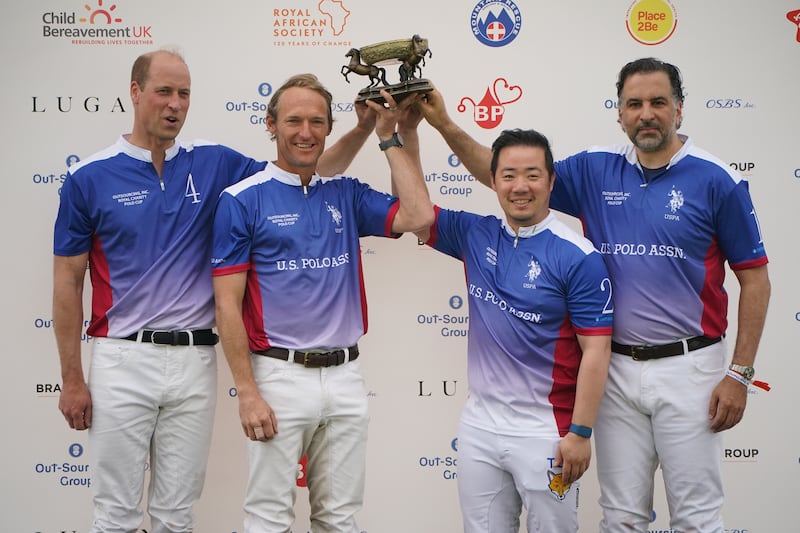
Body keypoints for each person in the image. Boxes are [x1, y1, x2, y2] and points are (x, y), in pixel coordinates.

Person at [416, 57, 771, 532]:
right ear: (619, 113)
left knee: (697, 516)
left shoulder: (716, 179)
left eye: (658, 102)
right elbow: (510, 174)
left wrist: (740, 374)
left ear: (680, 110)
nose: (646, 113)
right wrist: (443, 124)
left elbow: (755, 278)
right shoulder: (595, 170)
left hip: (692, 370)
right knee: (621, 515)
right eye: (634, 104)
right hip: (616, 370)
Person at [52, 49, 376, 533]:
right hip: (121, 359)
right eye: (163, 91)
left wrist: (364, 128)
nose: (175, 104)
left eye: (184, 94)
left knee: (177, 516)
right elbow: (67, 282)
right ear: (135, 92)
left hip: (194, 361)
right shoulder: (88, 177)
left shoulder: (215, 163)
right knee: (115, 516)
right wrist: (72, 378)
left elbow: (305, 164)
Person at [210, 74, 433, 533]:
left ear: (330, 127)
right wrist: (247, 392)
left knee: (339, 519)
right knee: (268, 519)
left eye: (316, 121)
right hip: (277, 377)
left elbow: (418, 215)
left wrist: (391, 134)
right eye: (293, 121)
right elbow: (226, 306)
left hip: (346, 377)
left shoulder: (344, 193)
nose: (305, 132)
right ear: (271, 124)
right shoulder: (241, 199)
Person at [412, 127, 613, 532]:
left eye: (533, 175)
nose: (520, 186)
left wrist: (580, 432)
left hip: (546, 433)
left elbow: (596, 352)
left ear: (551, 181)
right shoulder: (475, 234)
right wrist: (400, 133)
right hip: (479, 429)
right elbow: (417, 213)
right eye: (508, 175)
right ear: (493, 180)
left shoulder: (578, 256)